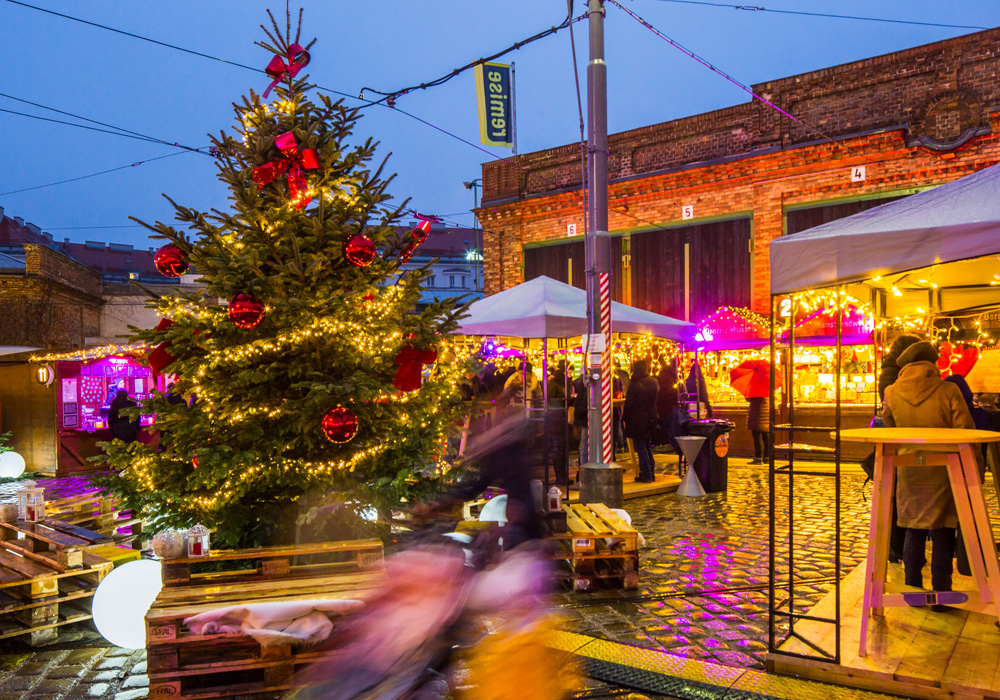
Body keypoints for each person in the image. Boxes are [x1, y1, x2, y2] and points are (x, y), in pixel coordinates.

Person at [882, 341, 977, 595]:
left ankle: (912, 587)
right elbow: (966, 432)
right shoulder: (949, 390)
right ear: (933, 363)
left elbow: (889, 430)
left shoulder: (891, 392)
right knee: (943, 529)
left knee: (913, 526)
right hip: (946, 470)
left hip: (909, 468)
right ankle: (942, 592)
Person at [863, 333, 921, 562]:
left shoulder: (892, 370)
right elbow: (893, 409)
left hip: (898, 438)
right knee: (897, 494)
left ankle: (896, 546)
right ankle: (896, 546)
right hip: (898, 440)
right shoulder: (894, 375)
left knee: (898, 495)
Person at [622, 360, 659, 483]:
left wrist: (624, 418)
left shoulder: (635, 384)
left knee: (641, 446)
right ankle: (651, 472)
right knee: (646, 445)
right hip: (650, 418)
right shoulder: (653, 382)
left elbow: (629, 404)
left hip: (637, 419)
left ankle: (646, 474)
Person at [655, 362, 682, 457]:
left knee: (670, 433)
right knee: (674, 433)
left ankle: (679, 451)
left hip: (662, 410)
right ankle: (681, 452)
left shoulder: (659, 379)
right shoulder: (673, 380)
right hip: (670, 409)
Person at [746, 395, 770, 465]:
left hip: (757, 414)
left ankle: (758, 457)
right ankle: (767, 457)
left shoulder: (755, 391)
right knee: (766, 437)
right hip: (766, 414)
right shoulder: (767, 389)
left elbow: (748, 399)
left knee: (756, 437)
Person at [572, 369, 589, 468]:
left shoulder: (583, 387)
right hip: (586, 419)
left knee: (583, 447)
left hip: (585, 420)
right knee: (584, 447)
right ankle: (584, 469)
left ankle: (584, 470)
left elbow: (580, 405)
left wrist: (577, 421)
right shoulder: (585, 387)